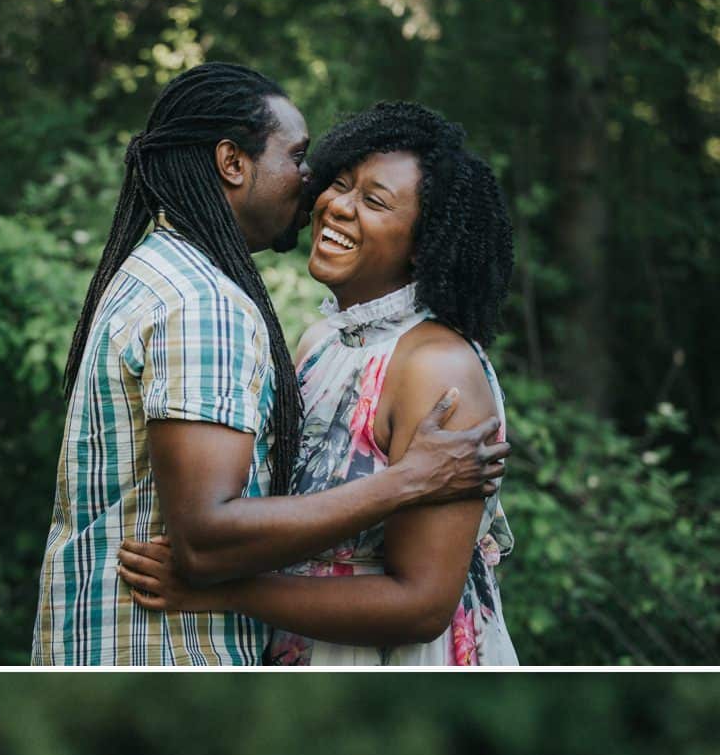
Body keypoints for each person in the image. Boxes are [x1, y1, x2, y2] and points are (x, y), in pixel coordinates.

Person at [31, 64, 506, 666]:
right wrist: (402, 482)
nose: (329, 201)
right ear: (231, 162)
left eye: (373, 200)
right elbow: (231, 531)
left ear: (425, 242)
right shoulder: (316, 341)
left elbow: (422, 606)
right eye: (338, 181)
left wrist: (228, 593)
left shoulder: (439, 369)